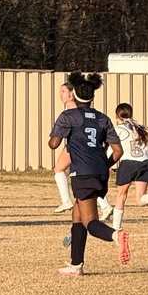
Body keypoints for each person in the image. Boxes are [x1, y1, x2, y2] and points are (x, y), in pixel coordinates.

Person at [48, 71, 129, 276]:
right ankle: (77, 264)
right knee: (77, 216)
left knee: (90, 221)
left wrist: (58, 136)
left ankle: (116, 235)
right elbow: (118, 151)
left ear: (74, 95)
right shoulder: (102, 118)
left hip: (82, 174)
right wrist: (104, 164)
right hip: (100, 173)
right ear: (92, 97)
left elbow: (54, 143)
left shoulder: (69, 116)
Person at [53, 80, 113, 220]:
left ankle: (67, 201)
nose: (60, 94)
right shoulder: (70, 110)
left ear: (72, 93)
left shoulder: (74, 111)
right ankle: (104, 206)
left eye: (63, 91)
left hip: (80, 146)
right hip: (80, 147)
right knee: (67, 172)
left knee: (60, 169)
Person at [111, 102, 148, 232]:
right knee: (140, 200)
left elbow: (113, 148)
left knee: (121, 195)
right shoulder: (139, 128)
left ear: (117, 116)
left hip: (129, 163)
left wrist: (108, 163)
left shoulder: (118, 130)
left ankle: (116, 228)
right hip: (145, 163)